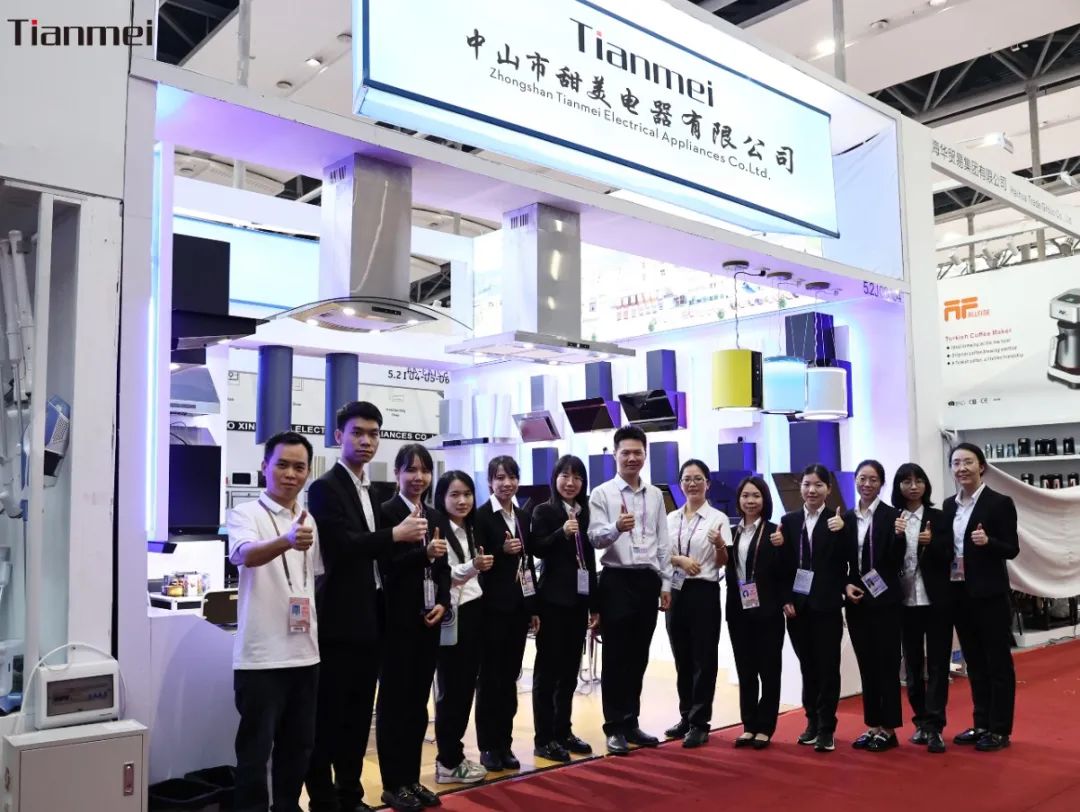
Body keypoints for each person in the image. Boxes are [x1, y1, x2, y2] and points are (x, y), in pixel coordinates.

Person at [305, 402, 426, 812]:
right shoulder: (325, 488)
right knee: (330, 715)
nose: (366, 441)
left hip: (373, 616)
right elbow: (342, 546)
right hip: (339, 619)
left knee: (359, 717)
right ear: (339, 436)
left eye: (374, 434)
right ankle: (323, 800)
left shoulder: (373, 491)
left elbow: (380, 558)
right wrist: (395, 535)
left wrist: (417, 550)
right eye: (358, 433)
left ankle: (350, 794)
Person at [227, 431, 323, 812]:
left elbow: (312, 580)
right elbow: (244, 555)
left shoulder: (308, 519)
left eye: (299, 467)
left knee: (298, 749)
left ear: (308, 472)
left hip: (305, 655)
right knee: (254, 753)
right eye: (282, 465)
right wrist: (286, 540)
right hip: (261, 659)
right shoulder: (246, 513)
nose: (290, 474)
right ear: (264, 466)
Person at [588, 425, 673, 756]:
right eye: (626, 452)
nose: (632, 458)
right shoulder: (602, 494)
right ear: (615, 455)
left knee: (638, 655)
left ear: (645, 455)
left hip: (647, 580)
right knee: (616, 656)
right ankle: (614, 727)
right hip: (616, 580)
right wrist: (616, 528)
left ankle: (631, 721)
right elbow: (595, 538)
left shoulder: (655, 495)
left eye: (638, 452)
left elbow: (663, 541)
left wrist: (665, 583)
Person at [377, 445, 451, 811]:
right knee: (395, 704)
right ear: (397, 474)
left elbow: (444, 568)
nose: (418, 477)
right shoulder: (386, 513)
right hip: (396, 622)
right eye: (411, 470)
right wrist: (423, 554)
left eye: (424, 470)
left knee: (418, 705)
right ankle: (393, 784)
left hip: (428, 620)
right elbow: (386, 568)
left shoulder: (435, 514)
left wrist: (443, 602)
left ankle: (411, 779)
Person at [941, 443, 1019, 752]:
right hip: (959, 594)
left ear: (981, 466)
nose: (961, 468)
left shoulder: (999, 503)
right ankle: (981, 723)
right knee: (974, 662)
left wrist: (989, 542)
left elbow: (1012, 549)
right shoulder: (949, 506)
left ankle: (1000, 729)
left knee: (997, 663)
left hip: (990, 594)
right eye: (956, 463)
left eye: (968, 462)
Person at [774, 463, 847, 753]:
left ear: (828, 489)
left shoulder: (837, 521)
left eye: (818, 484)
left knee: (828, 667)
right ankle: (812, 722)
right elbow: (782, 567)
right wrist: (785, 598)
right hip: (798, 607)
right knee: (808, 666)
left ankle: (827, 727)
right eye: (806, 484)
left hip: (827, 605)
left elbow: (845, 563)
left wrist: (843, 533)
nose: (811, 490)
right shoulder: (789, 521)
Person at [530, 455, 598, 763]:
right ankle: (544, 738)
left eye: (577, 477)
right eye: (565, 476)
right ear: (555, 478)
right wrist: (562, 533)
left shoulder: (585, 513)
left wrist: (594, 604)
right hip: (552, 602)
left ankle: (563, 730)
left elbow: (590, 561)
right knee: (548, 672)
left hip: (577, 602)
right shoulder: (544, 510)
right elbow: (537, 548)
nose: (571, 483)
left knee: (570, 671)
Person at [474, 455, 539, 772]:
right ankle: (488, 746)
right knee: (490, 679)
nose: (506, 483)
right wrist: (501, 552)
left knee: (510, 678)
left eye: (512, 477)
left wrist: (533, 606)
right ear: (490, 482)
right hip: (491, 609)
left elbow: (528, 565)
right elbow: (477, 563)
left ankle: (505, 743)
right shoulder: (481, 517)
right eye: (500, 478)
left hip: (518, 609)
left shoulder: (523, 516)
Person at [663, 459, 730, 749]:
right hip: (676, 590)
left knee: (704, 658)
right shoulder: (671, 518)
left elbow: (724, 561)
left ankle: (700, 722)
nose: (692, 484)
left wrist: (719, 545)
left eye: (698, 478)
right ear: (680, 484)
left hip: (704, 591)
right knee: (682, 657)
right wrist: (679, 560)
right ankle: (685, 716)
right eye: (687, 479)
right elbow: (660, 554)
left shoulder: (718, 518)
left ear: (708, 484)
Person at [432, 471, 493, 785]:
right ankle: (447, 761)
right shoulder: (439, 530)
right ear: (442, 497)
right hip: (453, 614)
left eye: (467, 494)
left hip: (474, 611)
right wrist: (473, 567)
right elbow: (443, 573)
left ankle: (454, 755)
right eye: (454, 495)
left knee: (465, 688)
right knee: (452, 691)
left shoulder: (471, 527)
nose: (462, 501)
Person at [724, 476, 790, 751]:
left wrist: (781, 547)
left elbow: (786, 571)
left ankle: (765, 727)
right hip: (737, 609)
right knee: (746, 669)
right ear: (738, 500)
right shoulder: (730, 532)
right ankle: (749, 725)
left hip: (768, 610)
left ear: (765, 500)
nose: (750, 501)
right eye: (745, 496)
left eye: (756, 496)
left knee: (769, 669)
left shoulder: (776, 532)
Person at [843, 460, 905, 753]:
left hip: (885, 599)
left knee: (887, 664)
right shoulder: (846, 518)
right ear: (855, 480)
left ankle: (889, 728)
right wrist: (845, 585)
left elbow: (896, 561)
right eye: (862, 478)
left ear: (881, 483)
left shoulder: (893, 516)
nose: (867, 484)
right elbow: (841, 561)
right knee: (866, 665)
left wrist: (900, 536)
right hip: (857, 600)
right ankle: (873, 725)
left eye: (873, 479)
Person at [892, 462, 952, 754]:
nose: (913, 486)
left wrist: (933, 542)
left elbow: (951, 553)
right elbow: (885, 558)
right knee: (912, 664)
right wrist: (897, 537)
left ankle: (935, 725)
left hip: (936, 600)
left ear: (926, 485)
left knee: (938, 664)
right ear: (899, 486)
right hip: (905, 601)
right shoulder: (893, 519)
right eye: (906, 481)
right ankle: (921, 721)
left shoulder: (939, 517)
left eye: (918, 481)